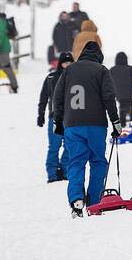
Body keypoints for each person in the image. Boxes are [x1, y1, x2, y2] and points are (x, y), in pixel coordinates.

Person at [51, 40, 121, 216]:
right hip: (96, 125)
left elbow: (57, 99)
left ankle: (76, 200)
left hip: (73, 125)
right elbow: (109, 97)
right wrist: (116, 121)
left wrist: (58, 123)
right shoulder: (101, 71)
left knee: (76, 162)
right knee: (98, 161)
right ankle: (95, 201)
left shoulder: (68, 71)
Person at [37, 51, 72, 182]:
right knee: (54, 146)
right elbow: (43, 97)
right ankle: (52, 173)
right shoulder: (51, 78)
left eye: (70, 62)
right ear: (60, 63)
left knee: (70, 144)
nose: (67, 65)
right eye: (65, 62)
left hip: (71, 117)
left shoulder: (75, 78)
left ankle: (64, 169)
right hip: (55, 117)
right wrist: (40, 114)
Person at [109, 52, 132, 124]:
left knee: (122, 106)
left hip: (118, 93)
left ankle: (123, 122)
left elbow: (109, 82)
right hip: (129, 93)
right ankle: (130, 121)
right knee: (129, 106)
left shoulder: (112, 70)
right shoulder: (130, 69)